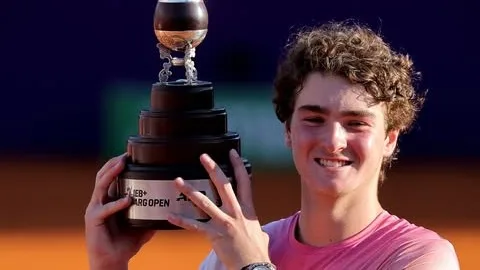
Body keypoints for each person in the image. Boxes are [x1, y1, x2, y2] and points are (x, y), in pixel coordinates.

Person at [85, 20, 460, 270]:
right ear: (288, 131)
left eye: (356, 123)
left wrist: (253, 266)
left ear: (390, 138)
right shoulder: (229, 253)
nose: (333, 140)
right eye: (314, 119)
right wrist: (109, 265)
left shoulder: (420, 259)